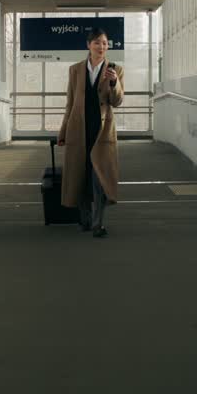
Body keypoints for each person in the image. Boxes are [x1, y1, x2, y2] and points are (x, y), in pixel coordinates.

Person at [56, 28, 124, 238]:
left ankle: (98, 224)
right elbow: (70, 103)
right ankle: (85, 219)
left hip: (102, 132)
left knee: (99, 178)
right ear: (88, 45)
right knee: (80, 176)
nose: (101, 47)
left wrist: (114, 83)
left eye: (104, 43)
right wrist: (63, 130)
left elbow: (117, 101)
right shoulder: (75, 70)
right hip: (78, 130)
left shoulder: (116, 70)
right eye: (97, 43)